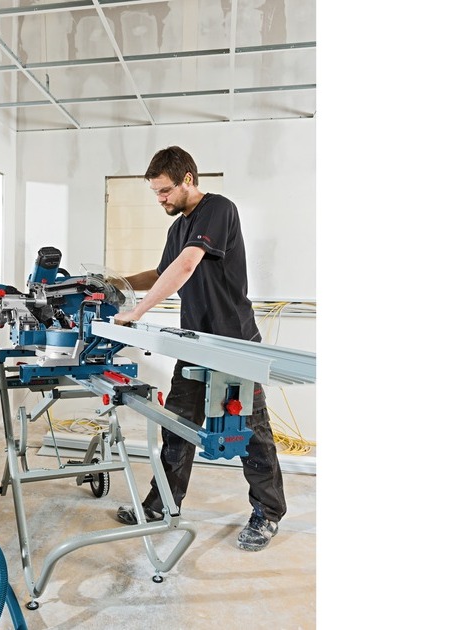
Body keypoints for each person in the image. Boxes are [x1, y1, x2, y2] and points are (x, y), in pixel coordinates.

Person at [111, 146, 285, 551]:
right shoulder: (178, 229)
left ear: (188, 179)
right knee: (178, 424)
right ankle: (162, 504)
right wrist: (117, 281)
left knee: (251, 431)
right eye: (155, 192)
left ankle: (268, 513)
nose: (160, 199)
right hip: (195, 342)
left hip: (234, 342)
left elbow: (187, 265)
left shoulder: (218, 209)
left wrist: (136, 312)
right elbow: (163, 271)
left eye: (165, 190)